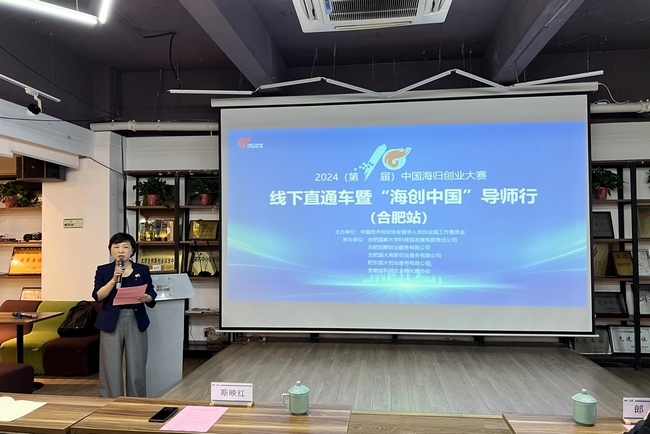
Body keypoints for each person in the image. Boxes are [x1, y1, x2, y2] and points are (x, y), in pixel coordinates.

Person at [92, 232, 157, 398]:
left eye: (125, 247)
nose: (121, 250)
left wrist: (147, 297)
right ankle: (110, 400)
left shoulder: (142, 269)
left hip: (135, 319)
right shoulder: (104, 270)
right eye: (116, 247)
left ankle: (136, 401)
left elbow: (151, 292)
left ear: (132, 250)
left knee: (136, 363)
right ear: (110, 250)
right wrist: (114, 280)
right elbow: (98, 296)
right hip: (110, 321)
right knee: (110, 364)